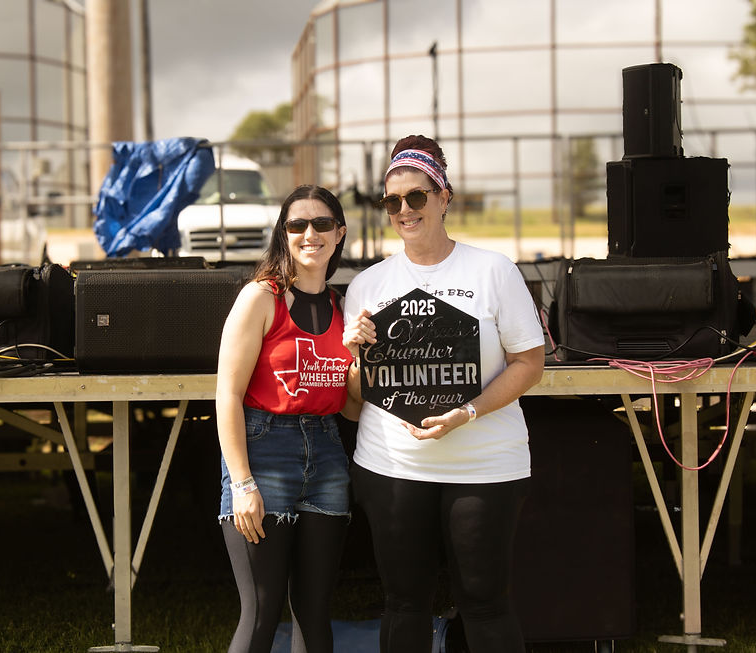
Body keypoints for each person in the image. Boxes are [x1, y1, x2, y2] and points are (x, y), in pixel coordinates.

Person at [342, 135, 546, 652]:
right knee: (403, 603)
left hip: (485, 464)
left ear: (444, 197)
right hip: (392, 464)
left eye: (417, 197)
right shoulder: (367, 286)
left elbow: (530, 362)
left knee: (485, 603)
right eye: (393, 202)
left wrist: (468, 412)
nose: (404, 210)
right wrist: (353, 354)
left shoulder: (493, 271)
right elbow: (354, 400)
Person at [216, 184, 357, 653]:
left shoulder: (344, 310)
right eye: (297, 225)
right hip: (263, 450)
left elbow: (351, 406)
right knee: (261, 608)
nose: (309, 234)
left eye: (321, 224)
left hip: (328, 457)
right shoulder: (261, 297)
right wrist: (242, 483)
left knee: (315, 612)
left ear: (339, 233)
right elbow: (227, 395)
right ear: (284, 234)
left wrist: (360, 356)